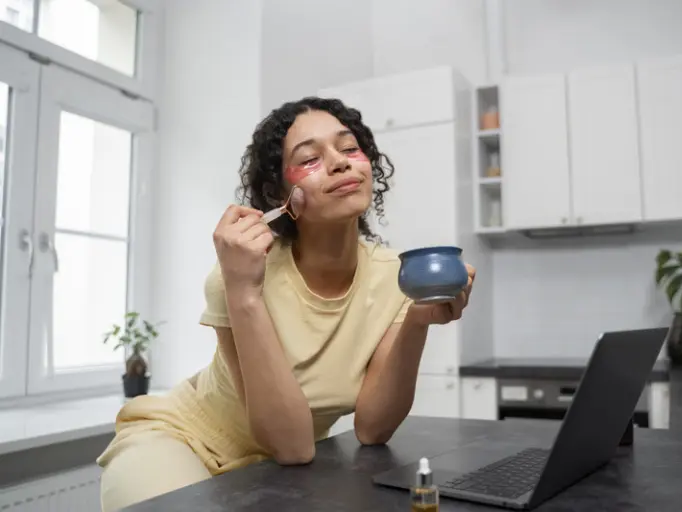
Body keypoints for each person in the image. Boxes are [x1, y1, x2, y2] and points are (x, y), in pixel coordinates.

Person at [96, 97, 476, 511]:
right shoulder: (239, 275)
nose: (340, 163)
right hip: (180, 439)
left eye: (349, 149)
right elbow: (293, 445)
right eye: (310, 158)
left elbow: (372, 429)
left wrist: (416, 322)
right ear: (282, 195)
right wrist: (243, 292)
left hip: (280, 466)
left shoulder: (395, 277)